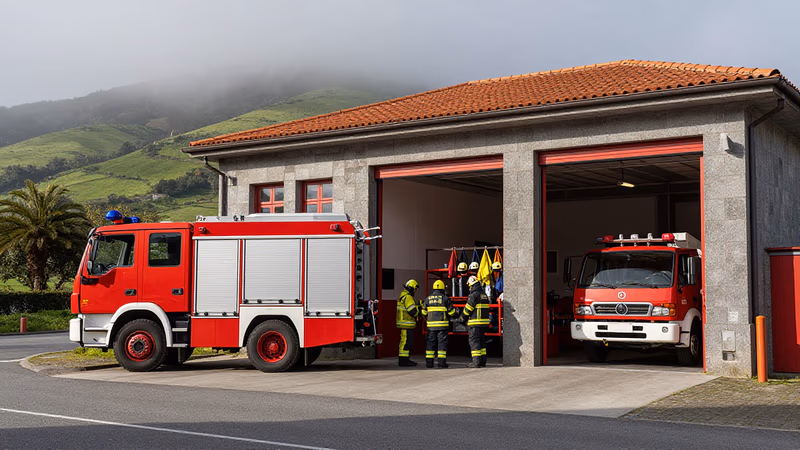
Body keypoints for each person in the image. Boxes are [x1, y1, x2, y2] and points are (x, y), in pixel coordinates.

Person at [421, 280, 458, 368]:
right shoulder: (445, 299)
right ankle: (441, 363)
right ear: (442, 289)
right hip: (442, 326)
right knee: (442, 344)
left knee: (430, 344)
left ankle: (429, 363)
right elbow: (451, 312)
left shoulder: (428, 299)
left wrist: (428, 319)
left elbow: (423, 312)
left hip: (431, 327)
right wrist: (456, 315)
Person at [462, 275, 490, 368]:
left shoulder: (473, 295)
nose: (469, 288)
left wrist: (461, 319)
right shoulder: (484, 295)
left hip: (475, 323)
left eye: (470, 286)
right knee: (481, 342)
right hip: (484, 323)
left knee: (474, 342)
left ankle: (476, 362)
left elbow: (467, 310)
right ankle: (483, 361)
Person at [396, 279, 420, 367]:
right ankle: (404, 361)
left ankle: (404, 360)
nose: (415, 291)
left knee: (404, 342)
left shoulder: (404, 296)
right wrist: (419, 313)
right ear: (412, 288)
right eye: (415, 289)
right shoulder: (408, 297)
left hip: (405, 324)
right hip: (407, 324)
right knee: (406, 342)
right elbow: (412, 311)